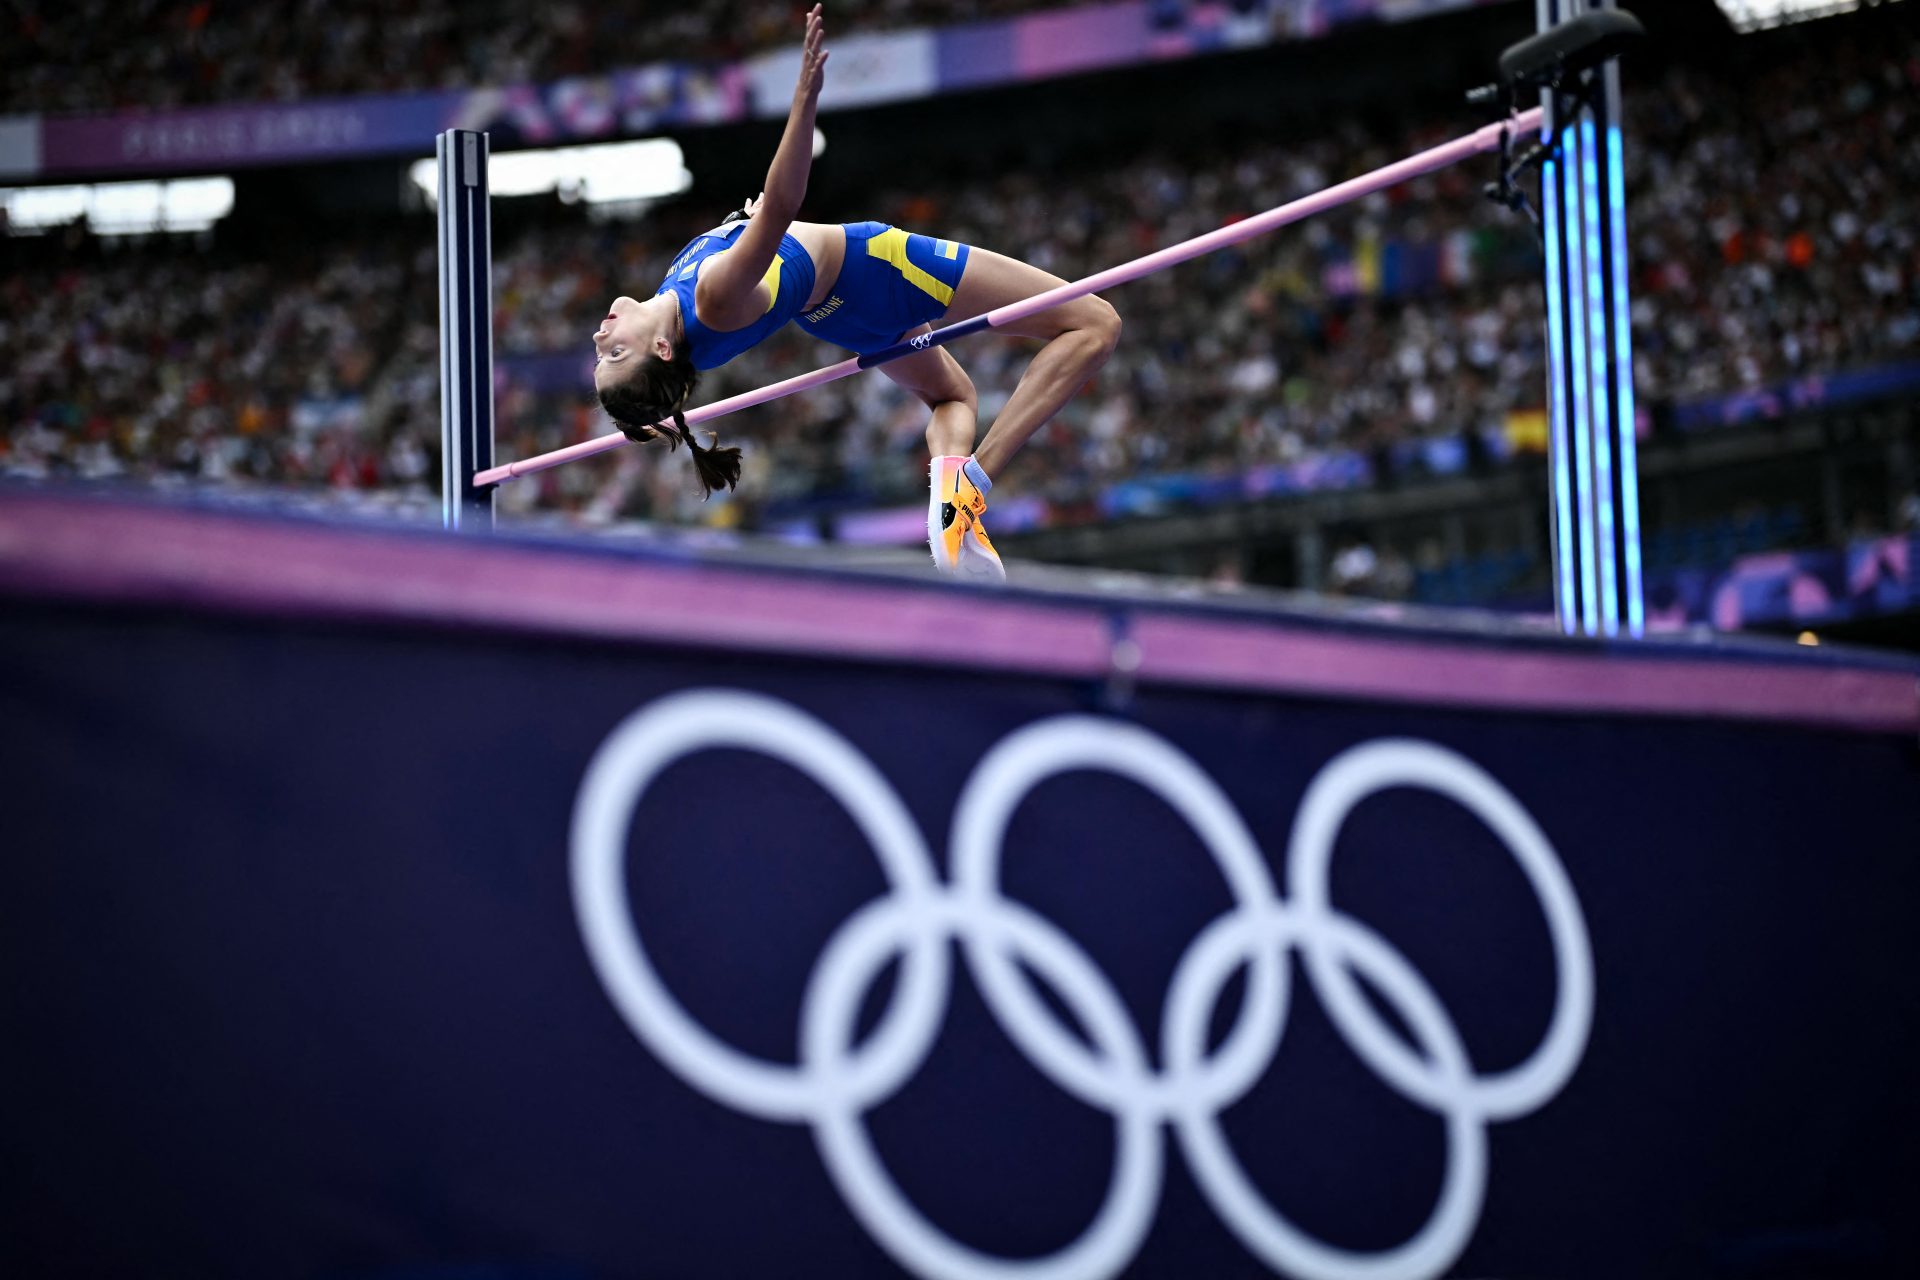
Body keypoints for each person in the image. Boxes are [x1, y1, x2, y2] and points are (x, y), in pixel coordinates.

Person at [591, 5, 1121, 580]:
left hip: (834, 315)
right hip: (876, 270)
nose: (601, 335)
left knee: (953, 398)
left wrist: (646, 413)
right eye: (614, 352)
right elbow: (785, 203)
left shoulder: (684, 320)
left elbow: (657, 389)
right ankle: (972, 485)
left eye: (602, 351)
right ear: (663, 351)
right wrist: (803, 100)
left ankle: (954, 495)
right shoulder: (713, 298)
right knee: (1094, 323)